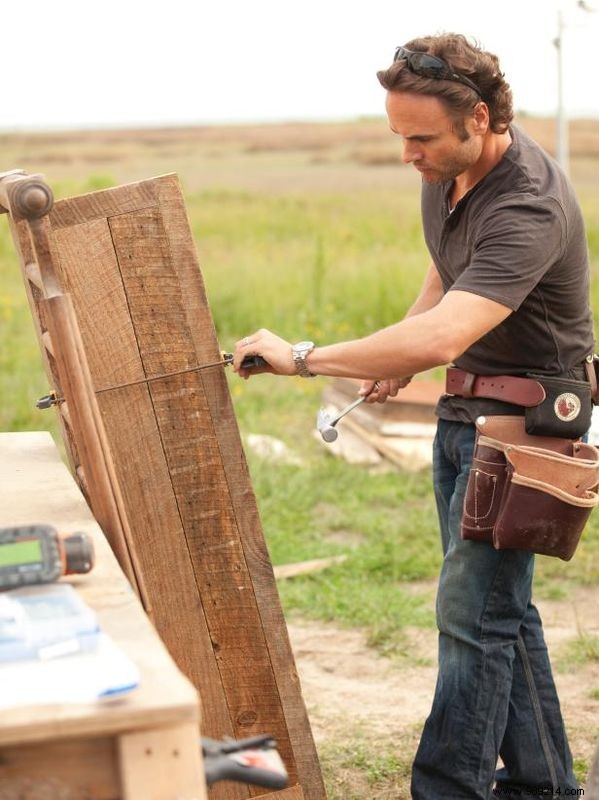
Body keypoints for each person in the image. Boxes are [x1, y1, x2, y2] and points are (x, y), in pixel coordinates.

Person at [232, 33, 593, 799]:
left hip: (528, 431)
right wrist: (391, 352)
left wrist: (306, 356)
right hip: (472, 415)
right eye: (398, 136)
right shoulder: (451, 170)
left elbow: (442, 335)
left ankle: (446, 789)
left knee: (471, 618)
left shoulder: (527, 200)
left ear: (485, 118)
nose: (407, 155)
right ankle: (544, 786)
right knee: (498, 611)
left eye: (420, 138)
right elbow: (447, 268)